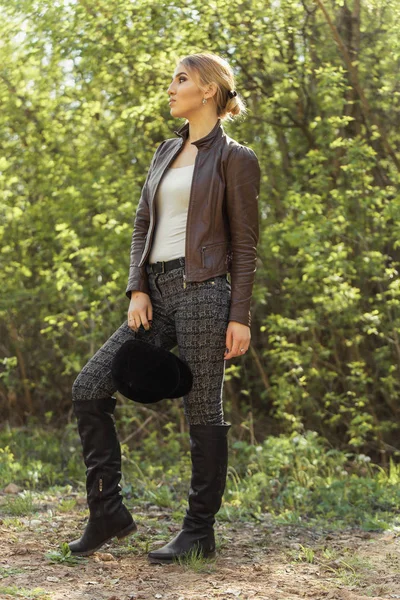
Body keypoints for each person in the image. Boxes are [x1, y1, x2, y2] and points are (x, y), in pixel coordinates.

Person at [67, 51, 261, 563]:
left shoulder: (236, 159)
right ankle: (107, 512)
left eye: (181, 79)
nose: (171, 88)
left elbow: (245, 246)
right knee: (89, 387)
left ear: (210, 92)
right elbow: (140, 227)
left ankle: (199, 530)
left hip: (205, 292)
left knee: (203, 407)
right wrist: (137, 287)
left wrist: (239, 315)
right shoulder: (163, 153)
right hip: (156, 292)